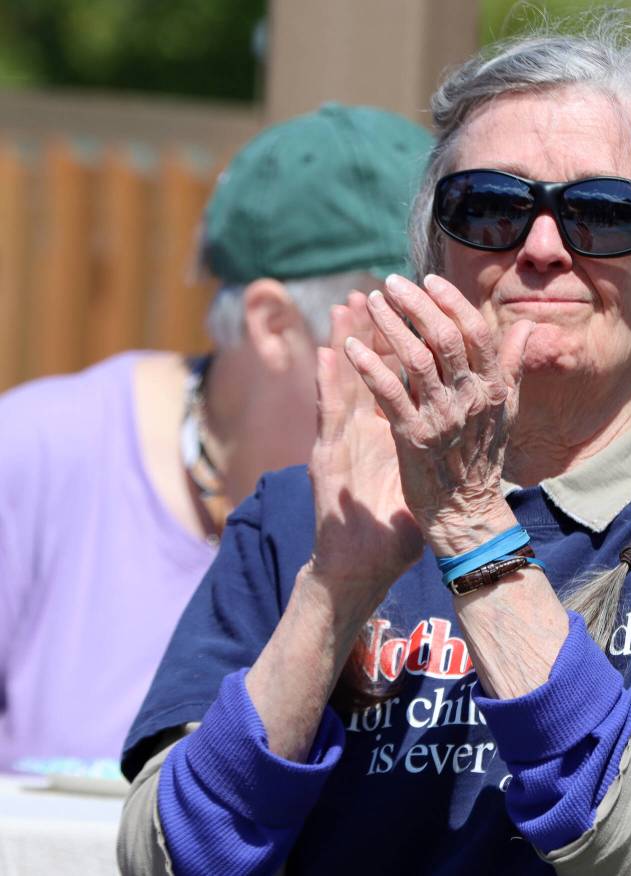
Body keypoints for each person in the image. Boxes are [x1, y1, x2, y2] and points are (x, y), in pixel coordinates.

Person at [119, 19, 631, 876]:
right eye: (492, 207)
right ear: (437, 248)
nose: (542, 249)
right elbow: (173, 856)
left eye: (607, 214)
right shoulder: (301, 518)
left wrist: (472, 524)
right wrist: (334, 592)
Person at [0, 103, 433, 771]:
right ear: (272, 324)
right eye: (401, 320)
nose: (438, 353)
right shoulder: (36, 453)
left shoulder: (446, 503)